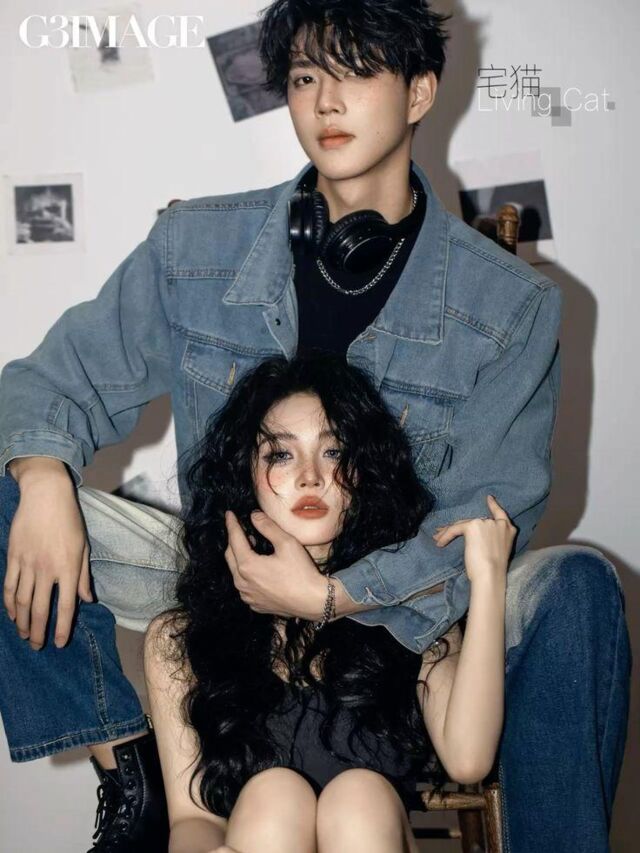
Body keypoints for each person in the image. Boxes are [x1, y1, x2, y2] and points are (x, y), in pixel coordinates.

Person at [0, 1, 630, 851]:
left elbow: (487, 514)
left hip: (408, 608)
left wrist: (333, 596)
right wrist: (42, 473)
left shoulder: (510, 305)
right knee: (10, 481)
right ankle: (135, 779)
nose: (326, 101)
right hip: (219, 576)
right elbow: (45, 385)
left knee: (576, 586)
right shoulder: (195, 249)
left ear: (419, 92)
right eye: (305, 77)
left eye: (357, 72)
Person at [144, 352, 516, 853]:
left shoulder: (411, 613)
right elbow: (193, 821)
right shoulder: (181, 638)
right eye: (280, 455)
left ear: (364, 473)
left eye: (334, 451)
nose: (310, 476)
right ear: (244, 475)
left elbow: (468, 760)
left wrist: (487, 580)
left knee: (358, 797)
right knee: (274, 796)